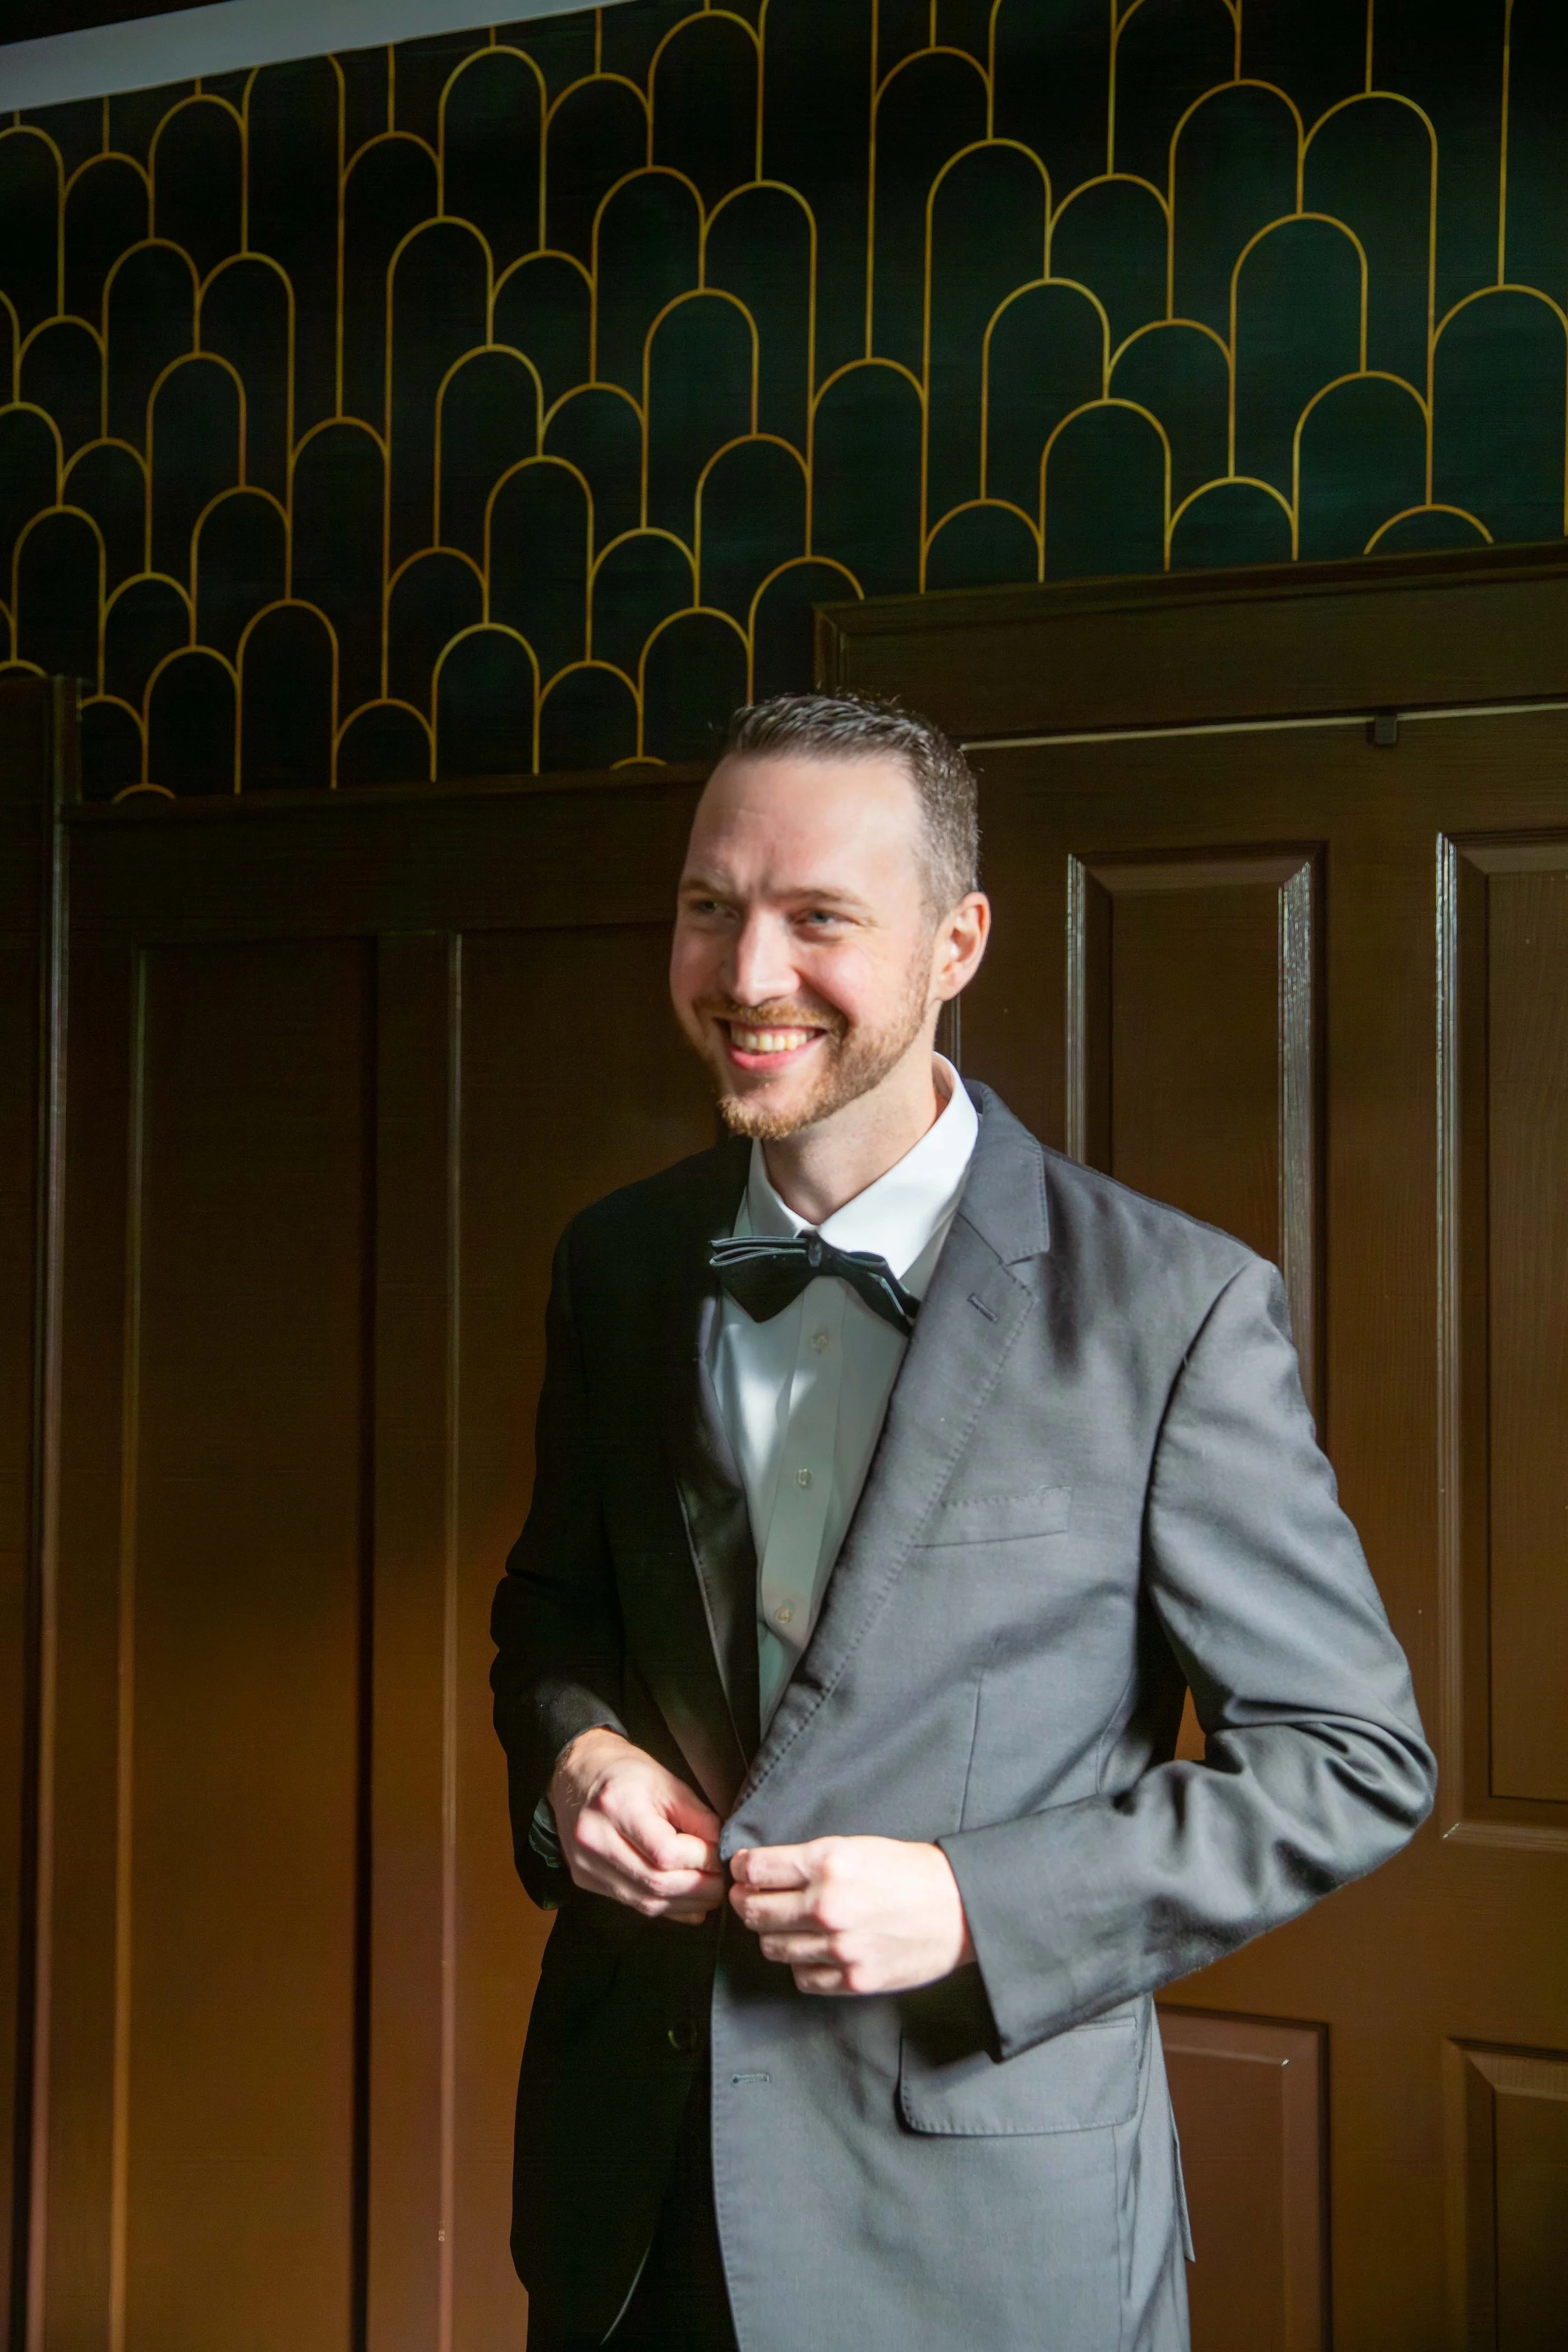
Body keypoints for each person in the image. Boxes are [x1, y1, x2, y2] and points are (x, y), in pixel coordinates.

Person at [490, 692, 1435, 2352]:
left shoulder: (1177, 1307)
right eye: (711, 906)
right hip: (631, 2204)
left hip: (985, 2243)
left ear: (957, 940)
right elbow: (552, 1618)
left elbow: (1353, 1756)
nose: (746, 972)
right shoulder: (615, 1266)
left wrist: (978, 1903)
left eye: (818, 917)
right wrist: (573, 1760)